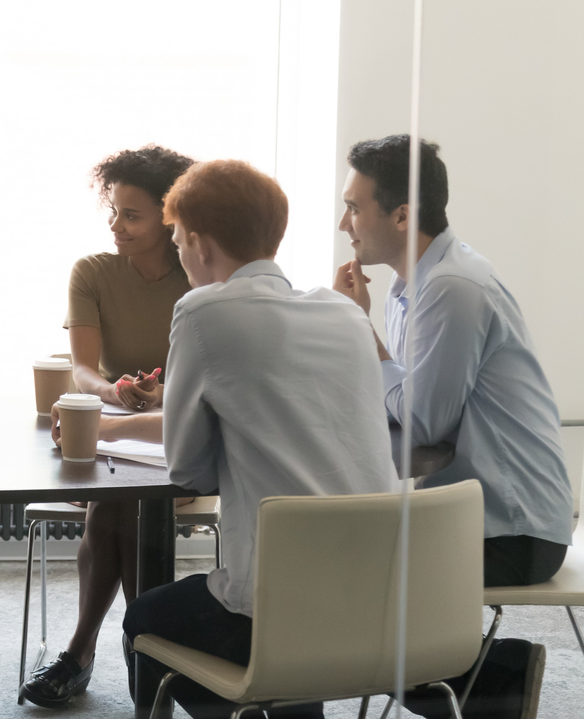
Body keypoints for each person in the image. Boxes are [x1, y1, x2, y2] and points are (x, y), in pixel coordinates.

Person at [95, 159, 397, 719]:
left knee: (145, 620)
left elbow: (189, 471)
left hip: (275, 608)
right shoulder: (344, 312)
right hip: (376, 599)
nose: (180, 255)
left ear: (202, 245)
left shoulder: (203, 310)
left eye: (180, 241)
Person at [334, 135, 571, 718]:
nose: (345, 222)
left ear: (402, 214)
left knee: (338, 573)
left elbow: (419, 420)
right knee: (333, 565)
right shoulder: (411, 284)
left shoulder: (452, 289)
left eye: (355, 207)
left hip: (515, 532)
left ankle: (493, 684)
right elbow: (409, 395)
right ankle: (489, 683)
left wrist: (368, 345)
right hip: (470, 514)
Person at [20, 145, 195, 709]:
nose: (117, 226)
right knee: (115, 500)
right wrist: (116, 391)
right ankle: (147, 651)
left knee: (116, 503)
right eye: (113, 212)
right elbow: (83, 370)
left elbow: (207, 383)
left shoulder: (200, 277)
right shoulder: (93, 272)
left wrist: (162, 393)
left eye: (132, 215)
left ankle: (82, 652)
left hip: (179, 433)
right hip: (116, 428)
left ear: (170, 222)